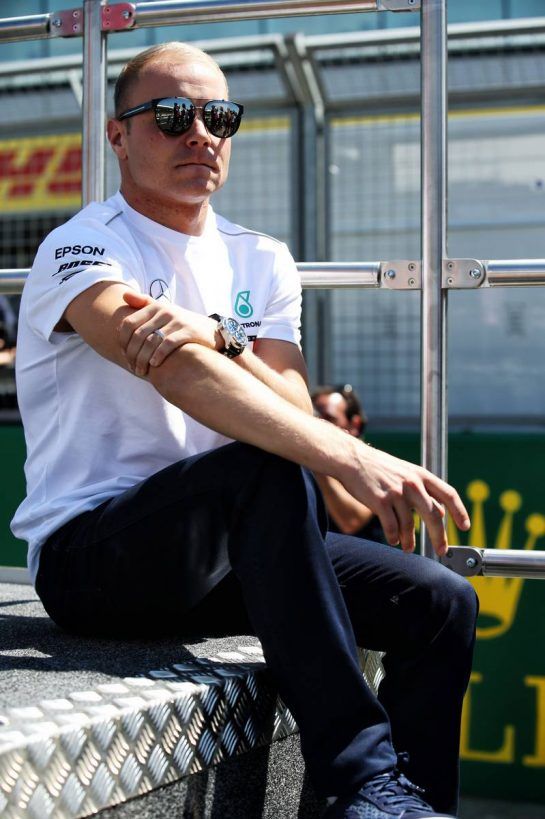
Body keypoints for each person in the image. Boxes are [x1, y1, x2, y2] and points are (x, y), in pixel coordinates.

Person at [11, 42, 478, 819]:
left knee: (439, 602)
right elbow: (170, 369)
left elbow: (289, 401)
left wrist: (216, 332)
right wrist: (352, 457)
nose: (200, 133)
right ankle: (361, 777)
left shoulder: (259, 257)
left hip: (228, 553)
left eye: (219, 117)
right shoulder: (83, 246)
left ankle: (408, 808)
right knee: (263, 467)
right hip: (93, 558)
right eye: (171, 115)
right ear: (118, 135)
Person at [312, 384, 386, 544]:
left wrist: (316, 459)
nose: (318, 425)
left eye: (329, 419)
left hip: (363, 555)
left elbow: (351, 522)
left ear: (355, 425)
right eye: (315, 419)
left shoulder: (372, 465)